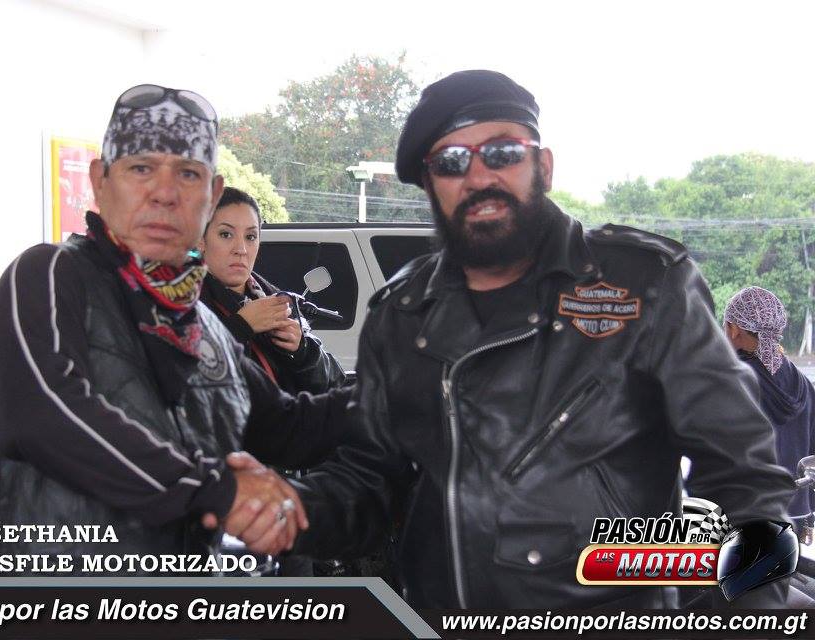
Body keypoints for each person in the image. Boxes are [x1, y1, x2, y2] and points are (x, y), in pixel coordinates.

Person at [270, 70, 795, 608]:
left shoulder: (646, 285)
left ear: (542, 165)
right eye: (451, 162)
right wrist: (282, 512)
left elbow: (746, 476)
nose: (479, 177)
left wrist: (748, 612)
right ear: (430, 184)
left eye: (502, 152)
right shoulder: (401, 313)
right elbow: (370, 481)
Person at [0, 84, 345, 569]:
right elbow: (44, 413)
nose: (165, 193)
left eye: (188, 174)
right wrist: (218, 491)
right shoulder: (49, 275)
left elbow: (284, 426)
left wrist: (397, 392)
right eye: (141, 169)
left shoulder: (203, 325)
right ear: (99, 181)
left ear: (211, 195)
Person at [199, 186, 345, 395]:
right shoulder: (180, 303)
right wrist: (240, 327)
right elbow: (179, 383)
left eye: (251, 237)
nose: (241, 249)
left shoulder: (276, 301)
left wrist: (303, 351)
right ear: (200, 240)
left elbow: (335, 382)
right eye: (226, 234)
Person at [724, 286, 814, 543]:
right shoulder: (802, 382)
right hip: (793, 513)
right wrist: (809, 515)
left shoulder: (730, 381)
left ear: (734, 329)